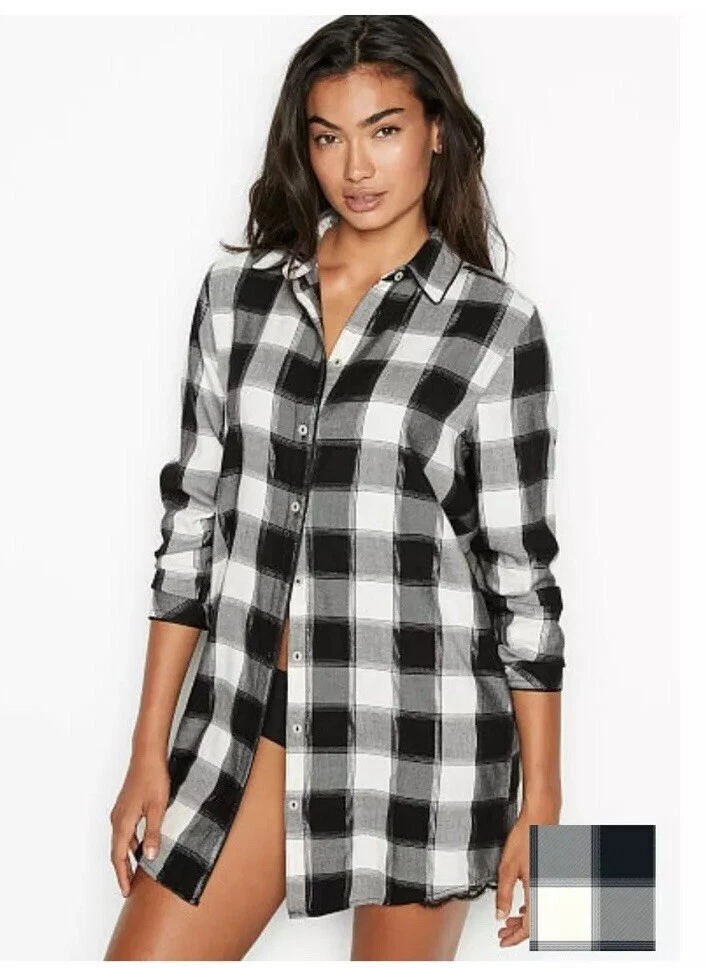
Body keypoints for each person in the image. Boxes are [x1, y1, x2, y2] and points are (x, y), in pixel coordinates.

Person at [104, 14, 565, 961]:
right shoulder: (234, 298)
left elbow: (521, 579)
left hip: (425, 737)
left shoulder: (497, 325)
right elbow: (189, 527)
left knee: (593, 935)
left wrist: (545, 807)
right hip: (248, 725)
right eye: (327, 137)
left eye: (383, 129)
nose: (355, 167)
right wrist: (147, 752)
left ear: (436, 132)